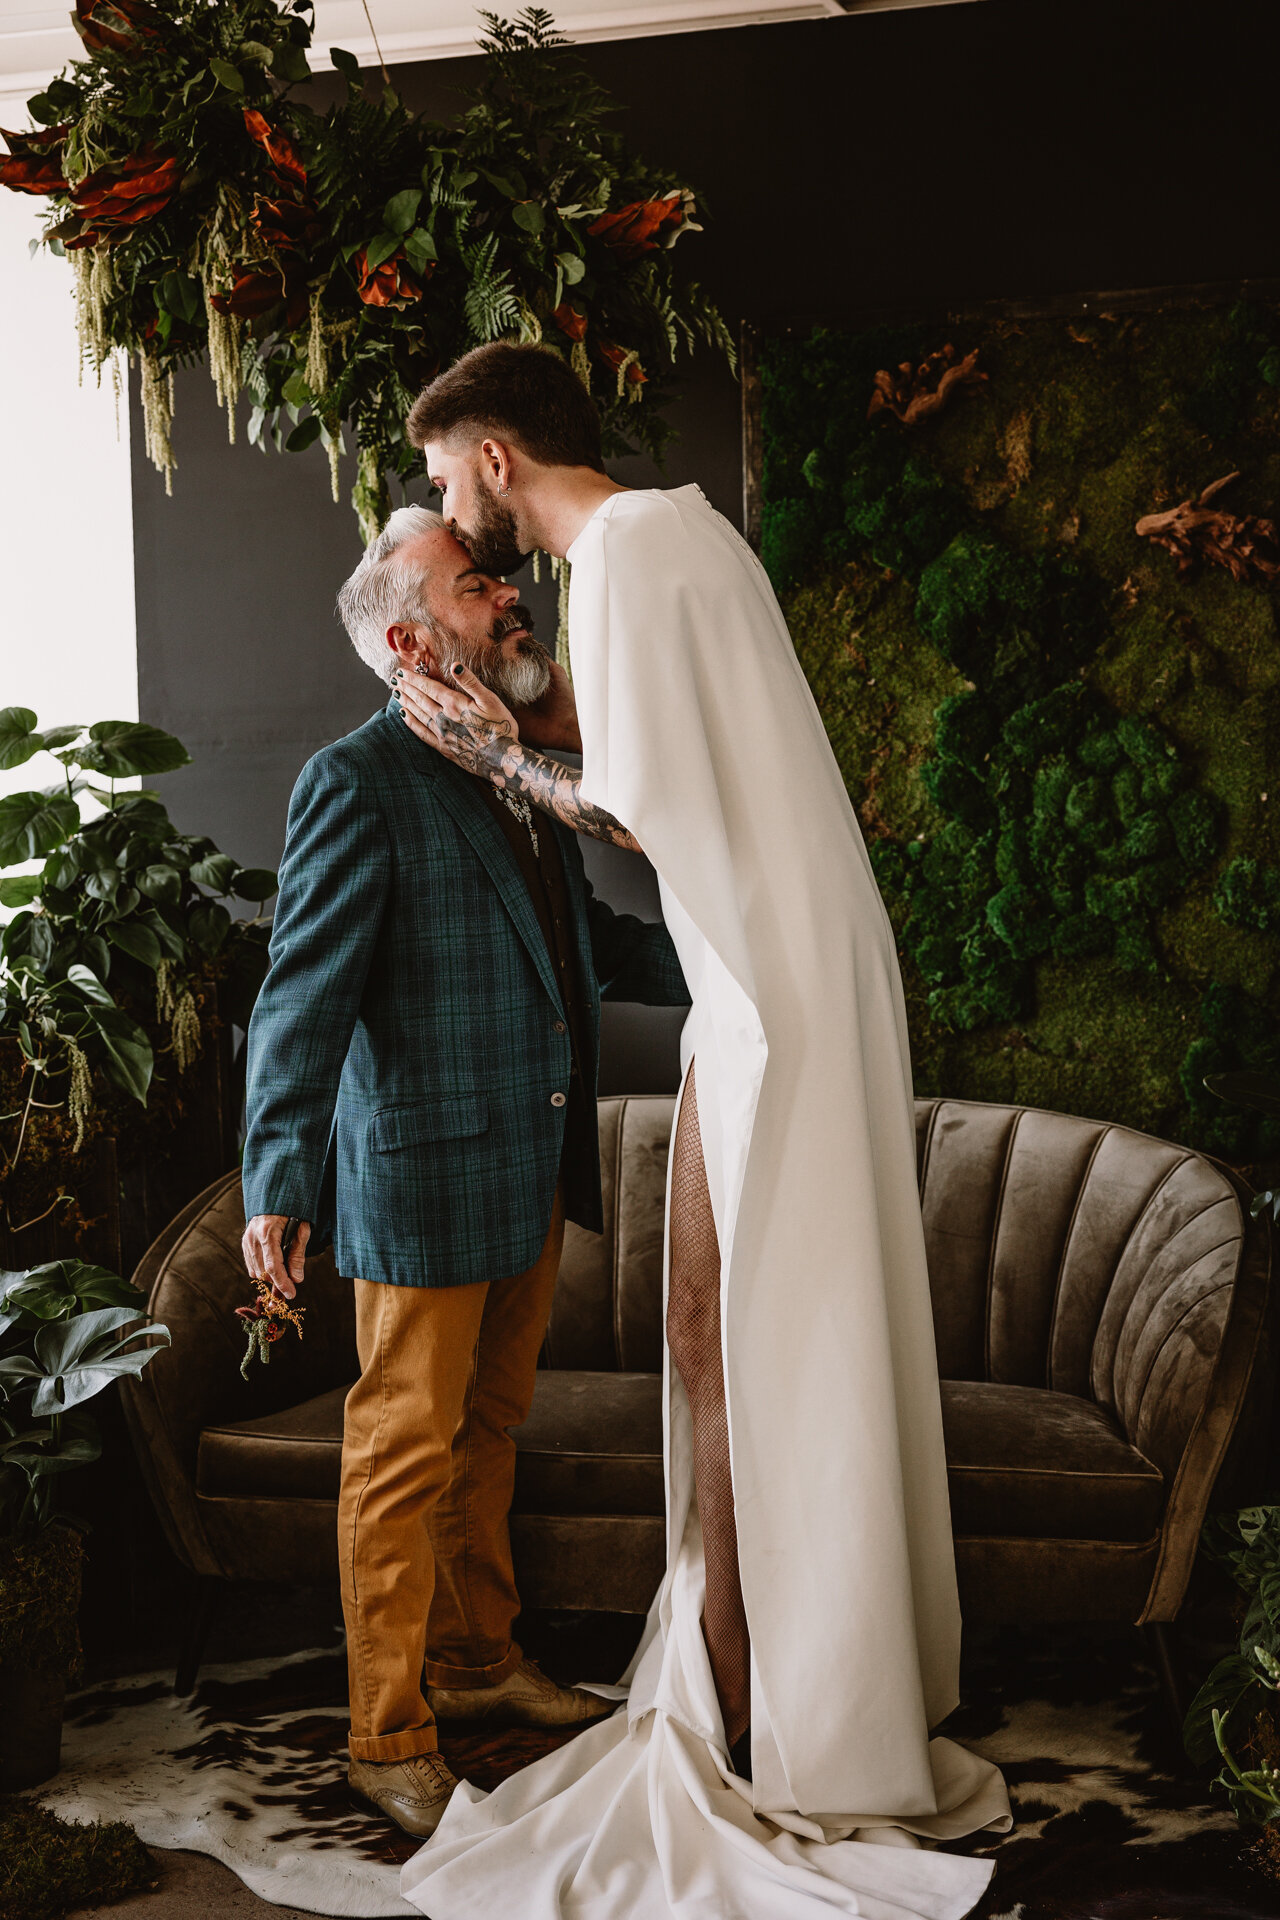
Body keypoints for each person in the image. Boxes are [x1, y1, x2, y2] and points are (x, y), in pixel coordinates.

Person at [391, 343, 1012, 1920]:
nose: (456, 518)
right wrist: (514, 702)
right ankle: (759, 1680)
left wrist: (472, 744)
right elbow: (635, 738)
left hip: (774, 995)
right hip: (776, 975)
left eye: (451, 477)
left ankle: (778, 1714)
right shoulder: (677, 533)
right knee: (717, 1334)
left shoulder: (630, 556)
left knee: (750, 1340)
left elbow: (633, 809)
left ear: (496, 454)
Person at [239, 505, 689, 1839]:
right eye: (474, 581)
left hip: (531, 1168)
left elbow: (591, 943)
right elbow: (298, 996)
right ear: (406, 635)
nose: (508, 596)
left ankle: (480, 1660)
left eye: (497, 575)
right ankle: (388, 1734)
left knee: (486, 1437)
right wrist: (278, 1176)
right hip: (422, 1182)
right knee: (398, 1457)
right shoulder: (357, 781)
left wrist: (737, 963)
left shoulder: (506, 762)